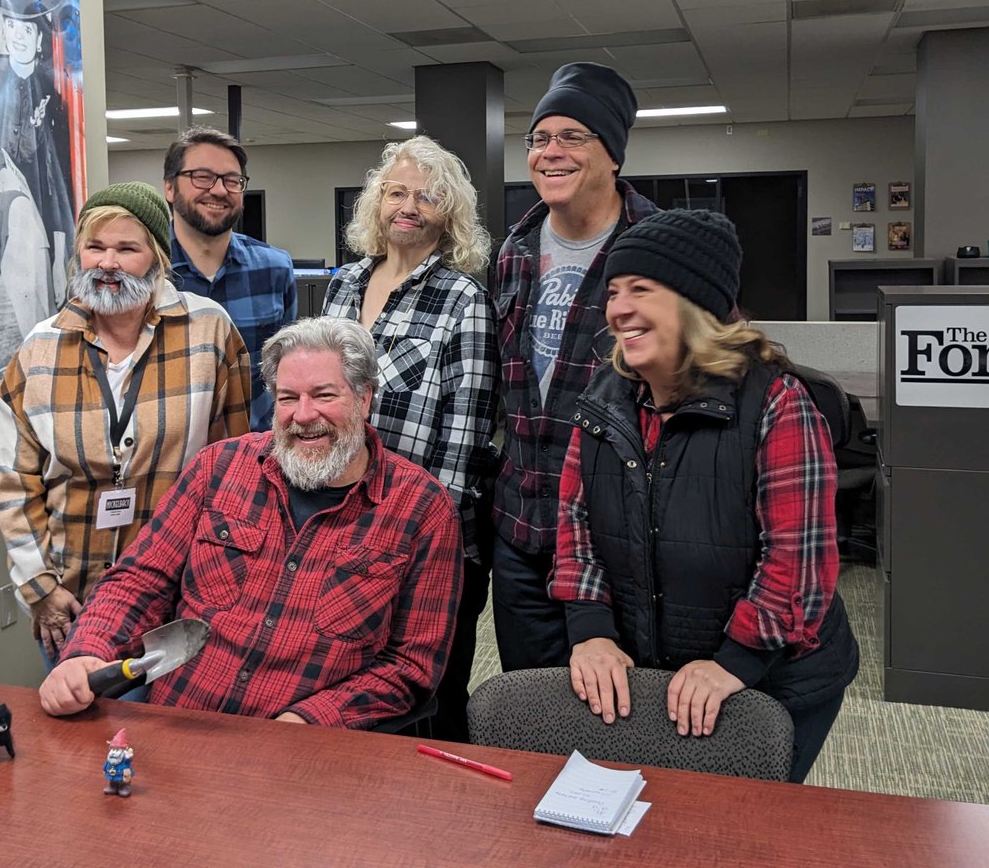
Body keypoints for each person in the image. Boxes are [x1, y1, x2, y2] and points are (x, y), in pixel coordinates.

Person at [550, 209, 859, 783]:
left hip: (773, 679)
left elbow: (798, 565)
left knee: (737, 828)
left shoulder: (777, 404)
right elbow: (575, 530)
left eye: (641, 289)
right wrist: (591, 630)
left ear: (697, 305)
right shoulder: (603, 399)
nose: (618, 308)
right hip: (657, 671)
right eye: (614, 291)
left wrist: (733, 663)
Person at [39, 317, 463, 730]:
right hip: (181, 731)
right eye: (287, 398)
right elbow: (140, 580)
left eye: (324, 395)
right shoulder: (219, 468)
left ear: (365, 398)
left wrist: (310, 720)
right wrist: (86, 651)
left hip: (308, 755)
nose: (303, 415)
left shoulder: (422, 510)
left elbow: (412, 665)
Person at [0, 181, 251, 683]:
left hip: (178, 596)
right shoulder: (39, 350)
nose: (107, 263)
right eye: (95, 247)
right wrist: (39, 587)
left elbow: (234, 467)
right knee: (83, 747)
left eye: (127, 249)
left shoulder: (209, 332)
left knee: (168, 751)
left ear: (156, 256)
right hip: (73, 599)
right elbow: (14, 483)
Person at [322, 136, 498, 742]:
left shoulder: (464, 299)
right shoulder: (344, 285)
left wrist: (423, 536)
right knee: (353, 678)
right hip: (345, 520)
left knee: (431, 689)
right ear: (377, 202)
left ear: (449, 214)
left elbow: (465, 438)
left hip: (428, 534)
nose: (409, 206)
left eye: (427, 197)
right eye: (397, 192)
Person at [493, 62, 659, 672]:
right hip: (522, 528)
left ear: (612, 154)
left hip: (617, 532)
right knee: (530, 709)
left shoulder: (659, 246)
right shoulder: (514, 248)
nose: (550, 152)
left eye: (572, 137)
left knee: (621, 714)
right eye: (539, 138)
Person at [0, 0, 78, 338]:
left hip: (32, 199)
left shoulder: (48, 92)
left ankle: (42, 342)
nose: (18, 36)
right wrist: (0, 178)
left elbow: (51, 175)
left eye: (26, 30)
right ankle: (37, 345)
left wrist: (63, 243)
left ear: (39, 38)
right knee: (26, 226)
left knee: (48, 247)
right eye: (11, 27)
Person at [164, 126, 297, 432]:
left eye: (232, 180)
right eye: (202, 177)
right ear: (170, 187)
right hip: (171, 463)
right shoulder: (146, 274)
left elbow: (285, 372)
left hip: (256, 456)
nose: (220, 190)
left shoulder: (274, 268)